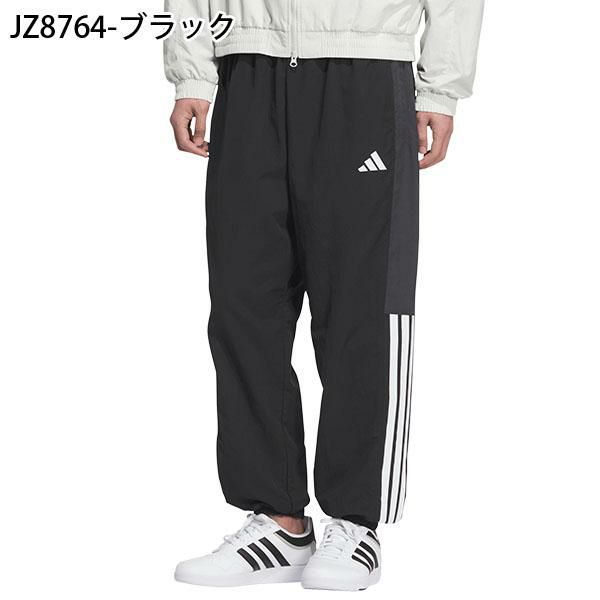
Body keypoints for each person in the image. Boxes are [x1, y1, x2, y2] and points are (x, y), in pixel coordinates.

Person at [164, 0, 483, 590]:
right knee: (243, 304)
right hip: (247, 66)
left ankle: (355, 522)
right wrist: (193, 72)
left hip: (364, 68)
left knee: (362, 307)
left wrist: (441, 88)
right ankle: (278, 521)